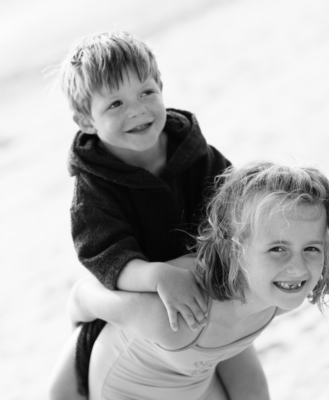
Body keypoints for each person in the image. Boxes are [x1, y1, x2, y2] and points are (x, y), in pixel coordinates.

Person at [67, 161, 329, 399]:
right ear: (234, 249)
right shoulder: (174, 316)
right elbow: (83, 296)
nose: (297, 268)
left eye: (311, 249)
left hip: (193, 382)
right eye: (277, 249)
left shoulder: (275, 295)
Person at [48, 31, 235, 399]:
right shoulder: (94, 187)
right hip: (131, 304)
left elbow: (235, 210)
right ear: (86, 120)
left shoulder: (197, 154)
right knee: (61, 392)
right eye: (115, 104)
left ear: (161, 86)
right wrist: (157, 275)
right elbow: (106, 256)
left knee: (250, 386)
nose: (136, 110)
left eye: (146, 92)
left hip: (205, 297)